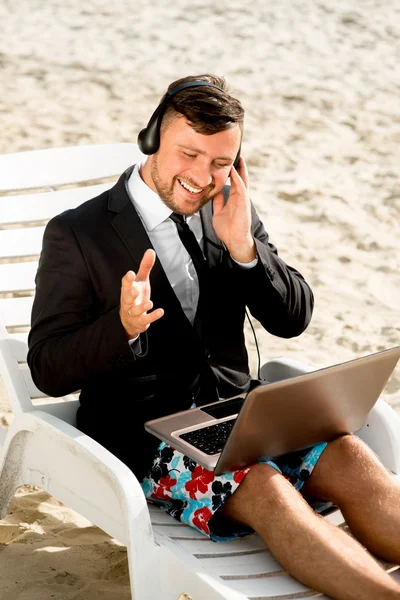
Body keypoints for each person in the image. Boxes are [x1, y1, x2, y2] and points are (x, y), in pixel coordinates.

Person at [27, 74, 400, 599]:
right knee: (264, 487)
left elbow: (293, 318)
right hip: (149, 434)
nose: (203, 177)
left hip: (244, 415)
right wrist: (122, 327)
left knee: (349, 455)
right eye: (189, 154)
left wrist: (245, 249)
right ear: (153, 138)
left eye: (221, 162)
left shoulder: (228, 209)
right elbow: (45, 365)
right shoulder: (77, 232)